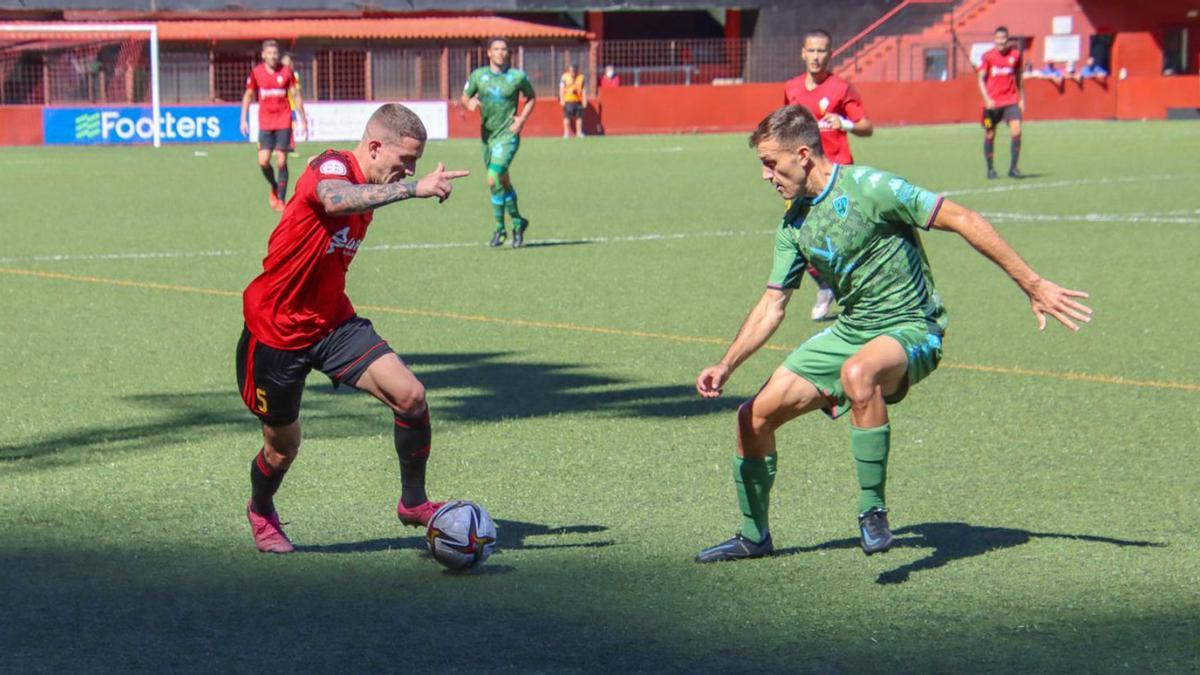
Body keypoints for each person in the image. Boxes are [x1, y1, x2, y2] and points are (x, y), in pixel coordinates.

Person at [693, 105, 1091, 563]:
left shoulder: (872, 188)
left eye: (770, 163)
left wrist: (1033, 284)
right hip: (852, 330)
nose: (766, 175)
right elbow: (772, 304)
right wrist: (727, 364)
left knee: (859, 372)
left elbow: (962, 218)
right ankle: (753, 536)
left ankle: (872, 511)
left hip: (912, 328)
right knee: (752, 418)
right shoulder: (793, 224)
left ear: (802, 155)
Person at [237, 103, 470, 554]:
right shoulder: (332, 166)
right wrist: (412, 189)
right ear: (376, 146)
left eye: (415, 164)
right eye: (405, 162)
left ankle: (413, 503)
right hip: (276, 333)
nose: (409, 171)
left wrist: (404, 184)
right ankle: (261, 510)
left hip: (333, 323)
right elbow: (334, 198)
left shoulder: (374, 180)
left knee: (411, 397)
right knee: (282, 449)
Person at [783, 29, 874, 321]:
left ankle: (861, 297)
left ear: (831, 53)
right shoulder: (792, 88)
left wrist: (844, 123)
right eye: (811, 50)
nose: (816, 56)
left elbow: (867, 127)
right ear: (803, 52)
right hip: (804, 177)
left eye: (822, 51)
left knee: (845, 239)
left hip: (837, 173)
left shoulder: (841, 88)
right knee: (801, 239)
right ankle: (825, 285)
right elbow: (786, 128)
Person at [460, 37, 536, 249]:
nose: (501, 52)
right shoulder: (478, 76)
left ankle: (500, 227)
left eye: (504, 49)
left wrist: (521, 119)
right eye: (496, 49)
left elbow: (531, 97)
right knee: (501, 181)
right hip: (487, 138)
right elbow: (464, 97)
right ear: (489, 53)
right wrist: (470, 102)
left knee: (493, 179)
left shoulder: (517, 77)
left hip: (508, 135)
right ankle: (516, 223)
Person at [242, 40, 307, 212]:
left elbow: (296, 95)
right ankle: (274, 186)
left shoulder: (286, 72)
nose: (273, 56)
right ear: (263, 55)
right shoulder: (256, 72)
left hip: (283, 121)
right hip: (265, 122)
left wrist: (303, 119)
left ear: (278, 55)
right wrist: (243, 119)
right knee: (263, 162)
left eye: (275, 53)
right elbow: (248, 95)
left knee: (281, 160)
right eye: (269, 53)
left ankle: (281, 199)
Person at [977, 27, 1025, 180]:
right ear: (994, 39)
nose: (1000, 41)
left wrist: (1022, 97)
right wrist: (986, 98)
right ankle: (990, 170)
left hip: (1011, 100)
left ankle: (1013, 168)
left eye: (1003, 38)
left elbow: (1019, 78)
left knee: (1017, 130)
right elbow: (980, 79)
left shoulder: (1016, 55)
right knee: (990, 133)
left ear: (1007, 38)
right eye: (998, 38)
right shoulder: (988, 57)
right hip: (990, 104)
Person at [280, 53, 304, 158]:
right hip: (283, 106)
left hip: (292, 105)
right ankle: (285, 147)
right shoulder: (279, 75)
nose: (288, 64)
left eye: (289, 62)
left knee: (291, 126)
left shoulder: (294, 76)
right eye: (285, 62)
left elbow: (296, 91)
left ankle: (289, 147)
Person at [559, 63, 586, 138]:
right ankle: (566, 133)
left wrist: (584, 100)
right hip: (568, 100)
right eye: (571, 71)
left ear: (577, 70)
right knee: (567, 117)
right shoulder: (564, 77)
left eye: (574, 71)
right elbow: (561, 89)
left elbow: (583, 89)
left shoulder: (581, 77)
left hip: (578, 100)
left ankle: (579, 132)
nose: (572, 72)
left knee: (579, 117)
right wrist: (562, 99)